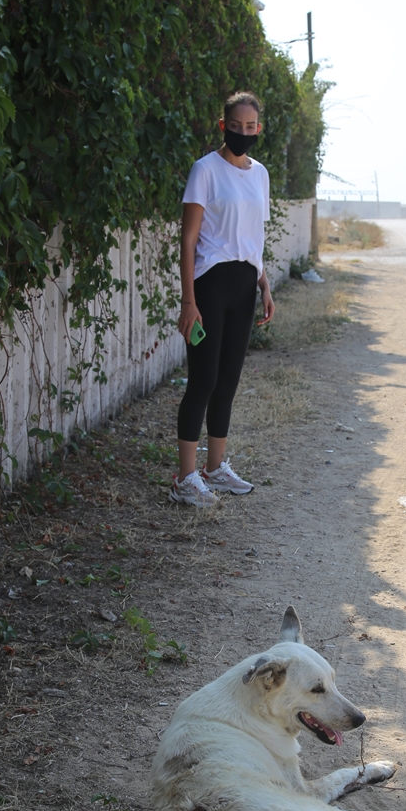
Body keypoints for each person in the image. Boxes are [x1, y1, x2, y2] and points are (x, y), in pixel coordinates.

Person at [170, 91, 275, 507]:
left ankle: (215, 469)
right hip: (210, 284)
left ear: (259, 130)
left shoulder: (261, 174)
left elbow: (252, 239)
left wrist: (265, 284)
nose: (243, 133)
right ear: (223, 126)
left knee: (228, 380)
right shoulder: (205, 170)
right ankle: (184, 477)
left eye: (251, 128)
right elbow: (189, 239)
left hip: (245, 283)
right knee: (204, 379)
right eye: (236, 126)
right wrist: (188, 300)